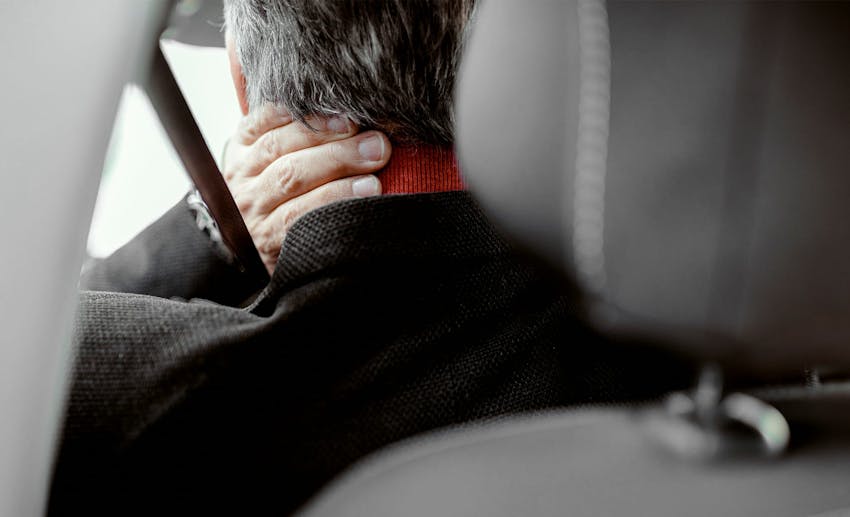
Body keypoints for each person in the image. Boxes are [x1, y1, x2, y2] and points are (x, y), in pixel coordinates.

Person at [49, 1, 690, 515]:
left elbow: (32, 352)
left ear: (247, 91)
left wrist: (207, 230)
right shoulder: (707, 359)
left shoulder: (100, 405)